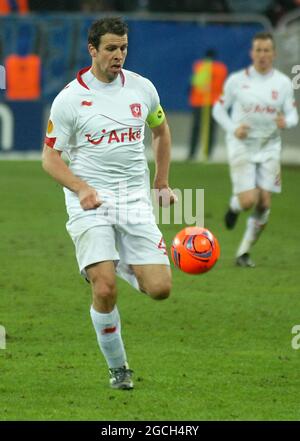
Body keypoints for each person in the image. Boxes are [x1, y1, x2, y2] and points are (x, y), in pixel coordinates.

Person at [42, 17, 176, 390]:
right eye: (111, 49)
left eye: (123, 48)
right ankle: (119, 369)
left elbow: (161, 131)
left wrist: (161, 181)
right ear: (92, 50)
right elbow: (50, 158)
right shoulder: (70, 98)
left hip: (134, 201)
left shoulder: (142, 89)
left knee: (161, 289)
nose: (119, 55)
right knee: (104, 289)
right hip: (90, 203)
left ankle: (114, 261)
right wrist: (81, 187)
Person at [213, 31, 298, 267]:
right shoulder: (237, 80)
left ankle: (243, 253)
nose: (262, 54)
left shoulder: (282, 83)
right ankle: (234, 205)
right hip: (242, 144)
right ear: (252, 53)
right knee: (249, 200)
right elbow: (218, 109)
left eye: (266, 50)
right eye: (258, 50)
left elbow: (292, 114)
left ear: (273, 53)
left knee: (264, 203)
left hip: (270, 146)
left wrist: (286, 121)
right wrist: (233, 128)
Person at [188, 49, 227, 160]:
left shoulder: (199, 66)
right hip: (213, 102)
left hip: (198, 101)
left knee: (196, 128)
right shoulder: (221, 68)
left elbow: (195, 83)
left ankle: (192, 153)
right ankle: (208, 154)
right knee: (211, 128)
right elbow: (220, 85)